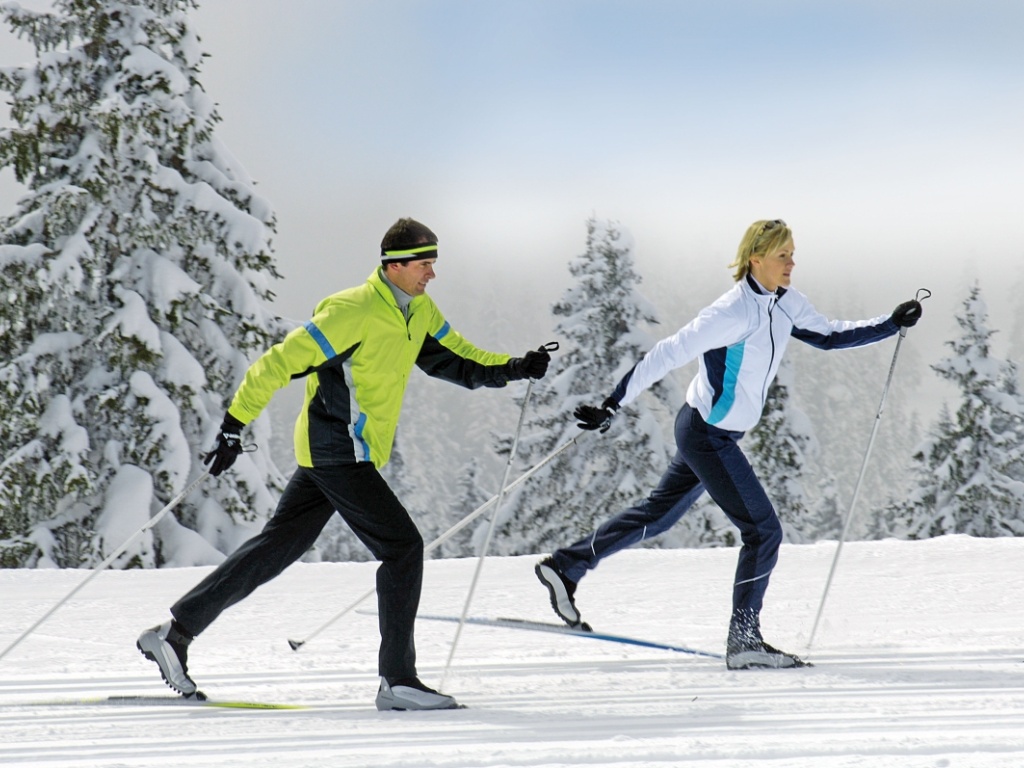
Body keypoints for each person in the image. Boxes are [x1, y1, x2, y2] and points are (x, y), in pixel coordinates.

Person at [138, 217, 551, 710]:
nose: (432, 274)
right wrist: (233, 425)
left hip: (342, 453)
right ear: (394, 266)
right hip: (338, 448)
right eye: (424, 264)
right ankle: (398, 681)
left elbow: (456, 358)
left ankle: (175, 634)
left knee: (278, 547)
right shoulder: (351, 312)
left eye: (433, 264)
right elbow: (277, 363)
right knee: (403, 548)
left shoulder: (418, 310)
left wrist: (514, 368)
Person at [534, 219, 922, 670]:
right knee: (763, 531)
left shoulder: (786, 302)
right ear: (756, 259)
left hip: (710, 432)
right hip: (707, 435)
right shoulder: (731, 312)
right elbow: (667, 352)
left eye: (792, 254)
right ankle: (744, 640)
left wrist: (890, 324)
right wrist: (612, 404)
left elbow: (830, 336)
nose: (791, 263)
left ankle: (565, 566)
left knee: (658, 515)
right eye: (782, 255)